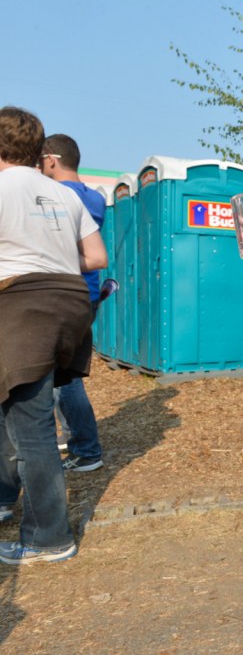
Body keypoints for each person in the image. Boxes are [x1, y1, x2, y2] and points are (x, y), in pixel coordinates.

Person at [0, 106, 108, 564]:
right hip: (68, 304)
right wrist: (52, 259)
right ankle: (6, 497)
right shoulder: (65, 195)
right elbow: (96, 256)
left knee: (32, 428)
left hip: (22, 306)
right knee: (17, 409)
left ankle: (48, 537)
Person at [39, 134, 106, 473]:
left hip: (64, 295)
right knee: (64, 376)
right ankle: (80, 441)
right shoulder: (93, 197)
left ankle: (87, 448)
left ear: (51, 159)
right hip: (86, 295)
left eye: (39, 161)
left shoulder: (60, 196)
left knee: (63, 380)